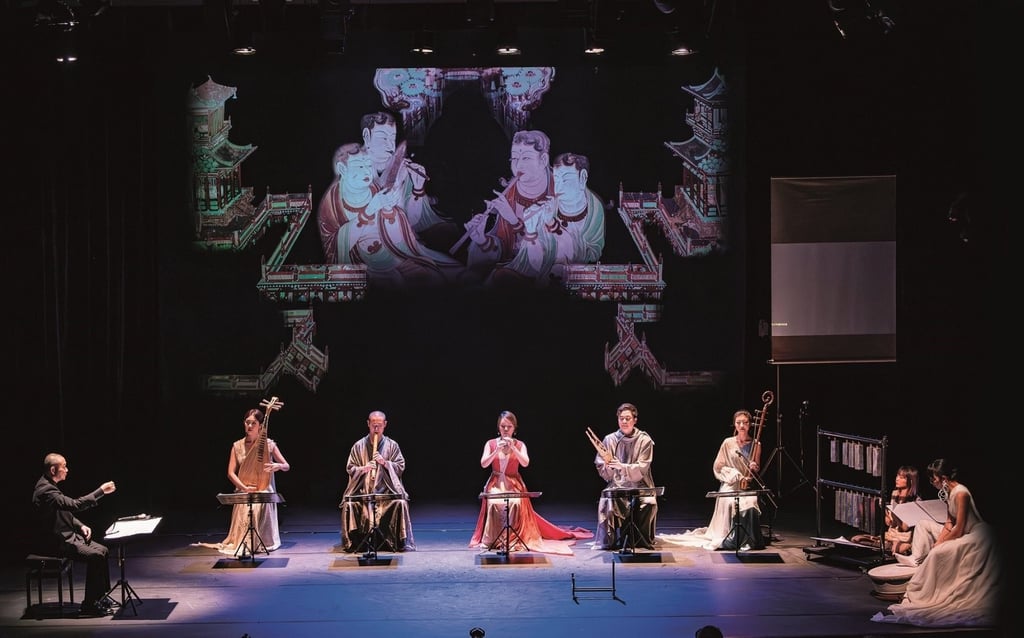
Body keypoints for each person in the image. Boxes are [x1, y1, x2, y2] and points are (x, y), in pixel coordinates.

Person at [871, 458, 1003, 628]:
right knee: (923, 524)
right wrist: (939, 540)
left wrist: (941, 545)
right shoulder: (949, 492)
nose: (932, 482)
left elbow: (960, 527)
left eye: (934, 478)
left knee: (939, 552)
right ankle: (915, 557)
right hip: (962, 532)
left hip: (976, 536)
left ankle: (927, 585)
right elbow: (949, 523)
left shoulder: (961, 493)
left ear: (943, 477)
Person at [316, 143, 463, 287]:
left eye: (368, 165)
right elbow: (334, 247)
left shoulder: (374, 188)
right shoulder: (332, 204)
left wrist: (390, 209)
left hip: (396, 254)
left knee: (438, 277)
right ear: (342, 168)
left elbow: (400, 230)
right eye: (360, 166)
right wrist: (369, 212)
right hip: (367, 268)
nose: (366, 171)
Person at [469, 410, 592, 555]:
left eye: (509, 426)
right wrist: (496, 451)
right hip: (496, 483)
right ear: (498, 428)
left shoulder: (520, 445)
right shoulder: (490, 444)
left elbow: (525, 463)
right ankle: (493, 539)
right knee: (495, 502)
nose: (506, 430)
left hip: (513, 483)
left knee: (514, 503)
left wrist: (513, 447)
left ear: (514, 428)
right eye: (503, 426)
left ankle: (511, 538)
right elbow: (484, 464)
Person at [488, 152, 605, 287]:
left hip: (569, 278)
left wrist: (551, 224)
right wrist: (531, 230)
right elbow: (533, 259)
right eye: (557, 179)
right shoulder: (549, 206)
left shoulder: (595, 210)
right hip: (539, 274)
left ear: (583, 177)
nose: (559, 187)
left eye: (566, 179)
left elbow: (590, 255)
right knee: (500, 278)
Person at [661, 409, 765, 551]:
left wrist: (754, 467)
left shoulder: (756, 444)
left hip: (746, 485)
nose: (742, 426)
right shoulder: (728, 443)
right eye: (738, 422)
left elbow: (757, 468)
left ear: (750, 425)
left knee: (751, 503)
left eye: (745, 422)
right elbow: (718, 466)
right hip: (730, 484)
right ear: (734, 424)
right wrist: (733, 473)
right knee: (730, 502)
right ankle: (732, 537)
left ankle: (748, 539)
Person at [462, 129, 555, 282]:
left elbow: (552, 249)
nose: (518, 165)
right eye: (514, 159)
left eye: (525, 158)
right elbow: (504, 248)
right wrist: (483, 241)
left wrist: (513, 221)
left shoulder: (558, 190)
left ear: (543, 160)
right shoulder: (510, 194)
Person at [31, 453, 117, 617]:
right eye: (64, 466)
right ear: (53, 469)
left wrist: (80, 525)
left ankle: (100, 597)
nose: (67, 470)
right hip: (55, 542)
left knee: (103, 550)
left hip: (67, 535)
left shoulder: (50, 485)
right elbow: (74, 505)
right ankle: (89, 605)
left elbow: (64, 511)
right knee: (95, 556)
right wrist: (100, 492)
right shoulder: (45, 491)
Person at [359, 111, 455, 244]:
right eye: (382, 138)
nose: (390, 145)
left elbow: (413, 221)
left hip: (401, 243)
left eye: (392, 138)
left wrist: (418, 188)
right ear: (367, 136)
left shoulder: (402, 169)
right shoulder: (354, 169)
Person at [339, 410, 416, 553]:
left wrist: (385, 463)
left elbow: (400, 466)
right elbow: (350, 468)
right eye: (373, 425)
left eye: (379, 425)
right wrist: (363, 469)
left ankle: (397, 542)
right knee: (349, 503)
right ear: (368, 424)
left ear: (385, 425)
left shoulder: (392, 445)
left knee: (400, 502)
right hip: (363, 492)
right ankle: (355, 543)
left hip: (386, 493)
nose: (376, 429)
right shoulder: (358, 446)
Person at [218, 407, 290, 556]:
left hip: (263, 489)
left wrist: (278, 466)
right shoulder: (237, 446)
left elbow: (286, 466)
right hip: (244, 489)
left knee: (257, 506)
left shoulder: (269, 445)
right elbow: (231, 473)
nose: (249, 426)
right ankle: (244, 544)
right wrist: (244, 487)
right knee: (248, 505)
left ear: (260, 426)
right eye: (247, 422)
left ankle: (256, 543)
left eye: (253, 423)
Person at [594, 402, 658, 550]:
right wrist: (608, 466)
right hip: (618, 485)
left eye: (627, 418)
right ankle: (613, 540)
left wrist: (621, 466)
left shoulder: (644, 440)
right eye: (621, 418)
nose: (624, 421)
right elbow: (603, 470)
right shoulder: (610, 439)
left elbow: (642, 467)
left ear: (635, 420)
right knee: (609, 504)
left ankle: (640, 541)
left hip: (641, 486)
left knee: (649, 503)